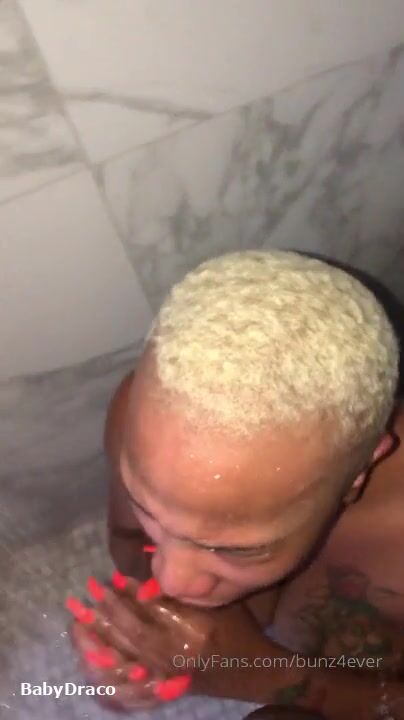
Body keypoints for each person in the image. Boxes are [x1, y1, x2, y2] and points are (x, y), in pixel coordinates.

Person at [70, 250, 404, 719]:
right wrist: (140, 640)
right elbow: (132, 550)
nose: (170, 576)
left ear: (360, 471)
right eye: (148, 510)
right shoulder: (143, 421)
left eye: (237, 549)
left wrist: (261, 675)